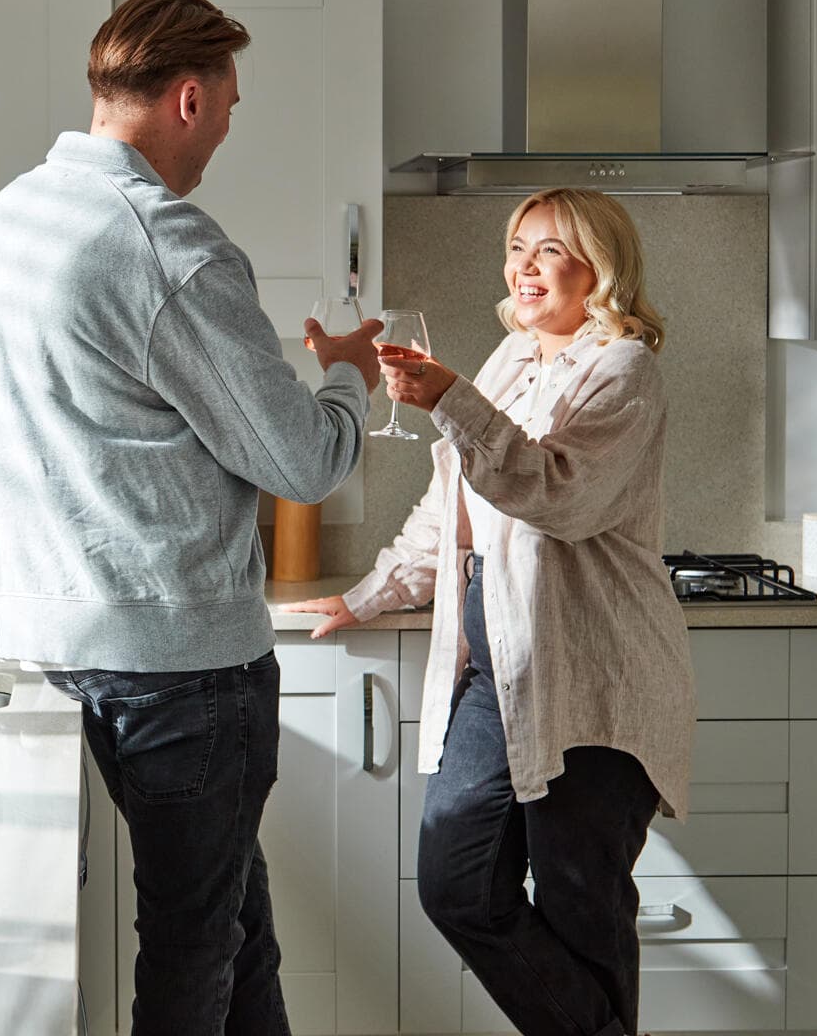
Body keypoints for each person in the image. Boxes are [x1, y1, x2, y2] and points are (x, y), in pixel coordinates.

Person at [0, 0, 384, 1036]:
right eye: (231, 106)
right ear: (187, 97)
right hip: (181, 664)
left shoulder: (14, 215)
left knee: (234, 932)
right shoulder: (164, 243)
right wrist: (351, 378)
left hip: (67, 645)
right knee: (198, 950)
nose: (228, 130)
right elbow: (304, 461)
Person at [286, 187, 696, 1036]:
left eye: (550, 249)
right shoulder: (510, 358)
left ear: (600, 264)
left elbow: (558, 497)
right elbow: (454, 508)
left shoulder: (623, 369)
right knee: (457, 885)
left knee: (584, 906)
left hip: (596, 676)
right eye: (518, 247)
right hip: (498, 673)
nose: (525, 265)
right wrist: (371, 593)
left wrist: (448, 398)